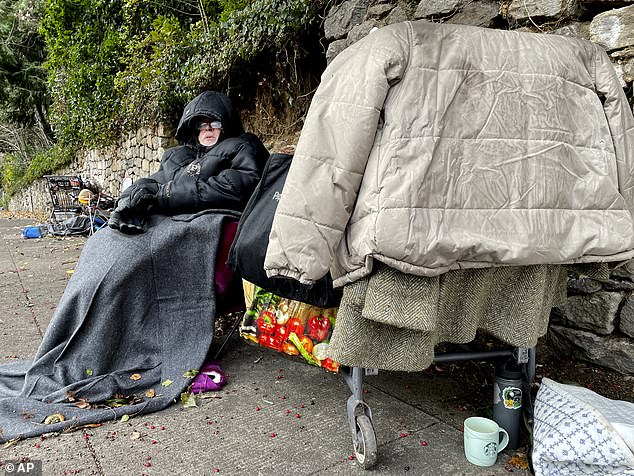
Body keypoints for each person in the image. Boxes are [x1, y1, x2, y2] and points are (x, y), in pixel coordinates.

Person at [0, 91, 269, 442]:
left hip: (203, 225)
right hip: (169, 219)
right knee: (104, 246)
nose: (207, 129)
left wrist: (168, 194)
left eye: (214, 123)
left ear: (227, 124)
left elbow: (241, 186)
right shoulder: (178, 156)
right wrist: (134, 196)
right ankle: (87, 341)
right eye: (199, 124)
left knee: (136, 262)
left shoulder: (244, 146)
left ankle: (117, 342)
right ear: (189, 128)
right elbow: (155, 183)